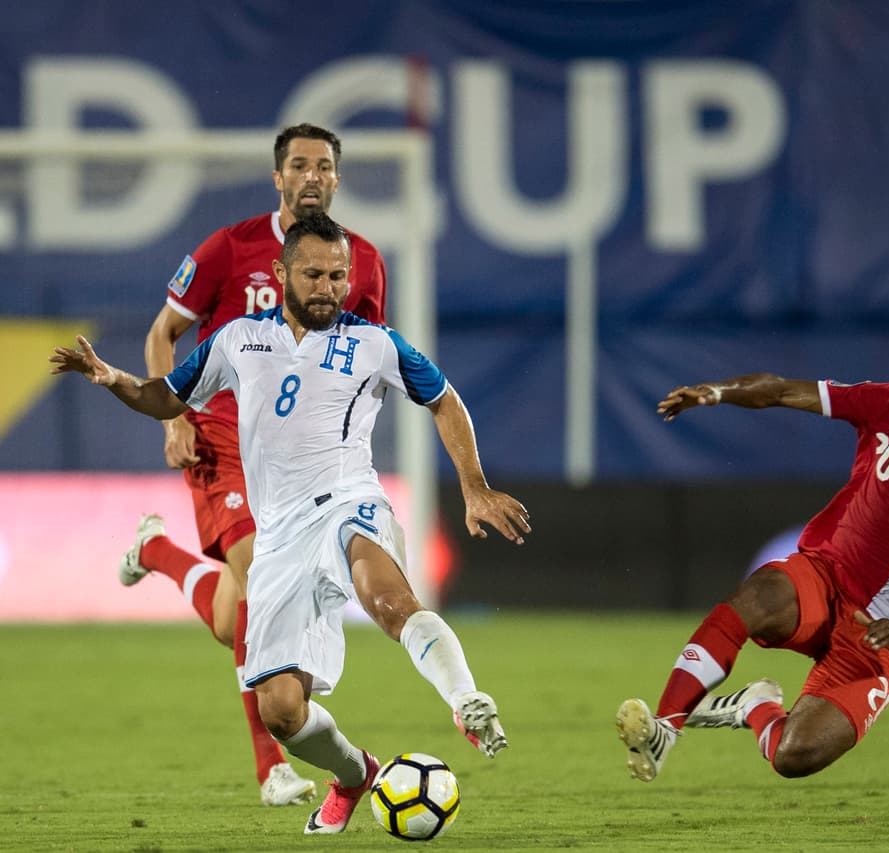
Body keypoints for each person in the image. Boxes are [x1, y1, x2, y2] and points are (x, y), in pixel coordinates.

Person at [51, 214, 531, 835]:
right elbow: (166, 396)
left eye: (338, 275)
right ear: (281, 274)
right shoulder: (237, 341)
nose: (328, 287)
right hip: (278, 533)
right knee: (281, 711)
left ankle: (465, 699)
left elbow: (443, 397)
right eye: (314, 275)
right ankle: (357, 775)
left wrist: (474, 486)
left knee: (385, 596)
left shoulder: (377, 343)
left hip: (348, 503)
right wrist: (113, 379)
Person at [615, 341, 889, 781]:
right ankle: (665, 729)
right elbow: (778, 391)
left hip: (881, 635)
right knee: (757, 598)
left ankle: (754, 705)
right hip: (825, 576)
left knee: (795, 757)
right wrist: (716, 393)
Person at [119, 123, 388, 806]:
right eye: (298, 165)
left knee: (231, 615)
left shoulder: (360, 261)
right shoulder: (230, 247)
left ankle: (158, 551)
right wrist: (176, 417)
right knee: (255, 581)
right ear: (278, 177)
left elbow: (364, 361)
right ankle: (274, 765)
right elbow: (163, 333)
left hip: (299, 466)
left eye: (323, 166)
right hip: (223, 439)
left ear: (336, 177)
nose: (311, 176)